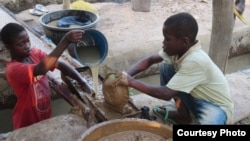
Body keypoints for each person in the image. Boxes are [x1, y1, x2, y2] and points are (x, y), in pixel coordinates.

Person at [114, 12, 234, 125]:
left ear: (184, 41)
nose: (163, 43)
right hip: (194, 97)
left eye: (167, 39)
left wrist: (131, 82)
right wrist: (125, 76)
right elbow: (149, 60)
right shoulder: (178, 51)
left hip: (214, 106)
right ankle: (184, 116)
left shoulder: (195, 60)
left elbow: (166, 93)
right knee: (165, 66)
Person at [0, 23, 93, 130]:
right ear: (9, 47)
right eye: (21, 44)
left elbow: (60, 64)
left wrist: (83, 82)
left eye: (28, 41)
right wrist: (65, 40)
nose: (27, 46)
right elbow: (41, 69)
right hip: (26, 121)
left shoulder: (34, 53)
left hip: (44, 114)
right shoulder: (13, 69)